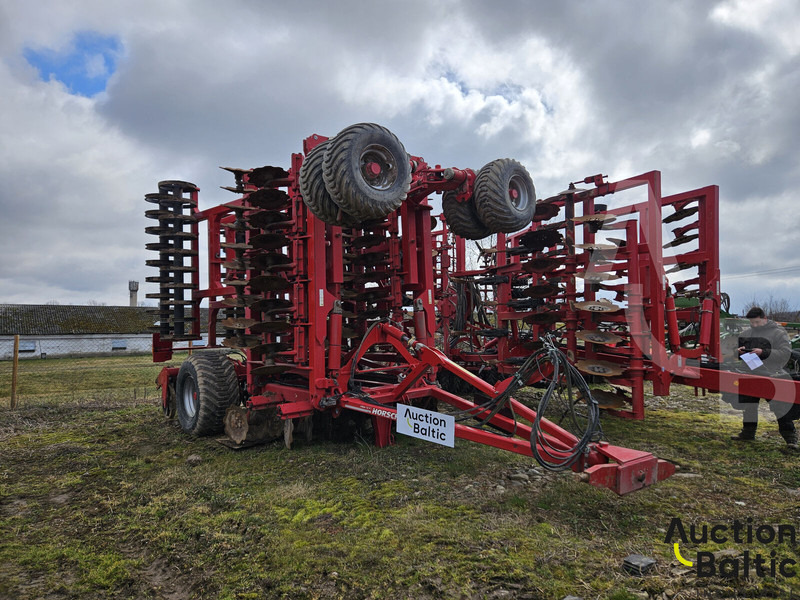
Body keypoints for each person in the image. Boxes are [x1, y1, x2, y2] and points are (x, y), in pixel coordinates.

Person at [729, 306, 799, 450]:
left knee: (780, 406)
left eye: (757, 322)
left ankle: (791, 439)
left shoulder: (779, 333)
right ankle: (748, 433)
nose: (754, 325)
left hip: (773, 373)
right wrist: (737, 352)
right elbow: (735, 352)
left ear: (764, 319)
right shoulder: (747, 333)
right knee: (749, 405)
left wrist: (764, 352)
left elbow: (785, 353)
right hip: (751, 372)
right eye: (751, 323)